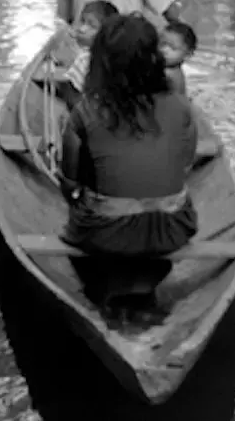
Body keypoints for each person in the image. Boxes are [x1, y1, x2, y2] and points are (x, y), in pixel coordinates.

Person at [59, 13, 198, 262]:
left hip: (103, 234)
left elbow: (70, 182)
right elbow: (186, 165)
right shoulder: (181, 105)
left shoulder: (86, 109)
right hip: (173, 231)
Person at [36, 0, 117, 109]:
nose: (82, 29)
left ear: (105, 33)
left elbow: (39, 75)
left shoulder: (86, 59)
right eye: (82, 21)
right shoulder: (109, 54)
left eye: (91, 26)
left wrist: (55, 59)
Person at [158, 18, 197, 96]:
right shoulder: (170, 69)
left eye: (173, 48)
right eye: (162, 44)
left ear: (188, 54)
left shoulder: (170, 75)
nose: (164, 50)